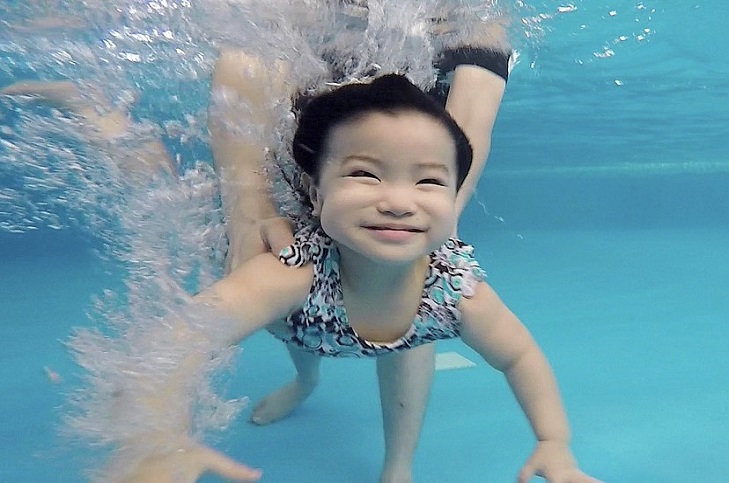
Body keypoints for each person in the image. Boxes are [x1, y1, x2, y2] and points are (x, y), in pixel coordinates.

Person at [2, 14, 601, 483]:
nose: (398, 202)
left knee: (406, 334)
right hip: (289, 278)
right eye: (365, 175)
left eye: (427, 182)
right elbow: (178, 339)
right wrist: (156, 435)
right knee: (162, 199)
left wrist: (554, 440)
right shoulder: (288, 272)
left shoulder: (454, 292)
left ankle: (397, 468)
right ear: (316, 193)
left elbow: (520, 356)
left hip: (352, 303)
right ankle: (101, 116)